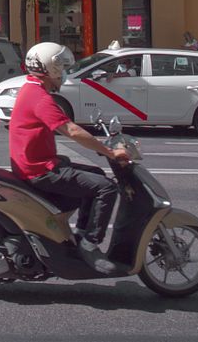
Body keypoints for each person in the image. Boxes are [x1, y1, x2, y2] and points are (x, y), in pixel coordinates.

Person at [9, 41, 131, 275]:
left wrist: (101, 146)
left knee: (95, 176)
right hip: (39, 170)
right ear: (50, 68)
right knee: (106, 188)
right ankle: (90, 244)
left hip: (38, 163)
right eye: (61, 69)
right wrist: (109, 152)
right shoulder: (40, 97)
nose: (63, 75)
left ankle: (80, 235)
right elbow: (71, 131)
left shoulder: (32, 89)